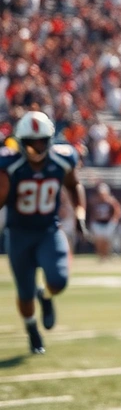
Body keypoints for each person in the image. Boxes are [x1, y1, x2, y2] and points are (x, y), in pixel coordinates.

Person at [0, 111, 90, 354]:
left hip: (49, 230)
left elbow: (74, 185)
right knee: (25, 294)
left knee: (58, 281)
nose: (37, 146)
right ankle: (32, 330)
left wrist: (80, 214)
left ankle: (47, 296)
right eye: (32, 141)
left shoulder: (63, 159)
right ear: (21, 141)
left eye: (42, 141)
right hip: (18, 233)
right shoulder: (10, 165)